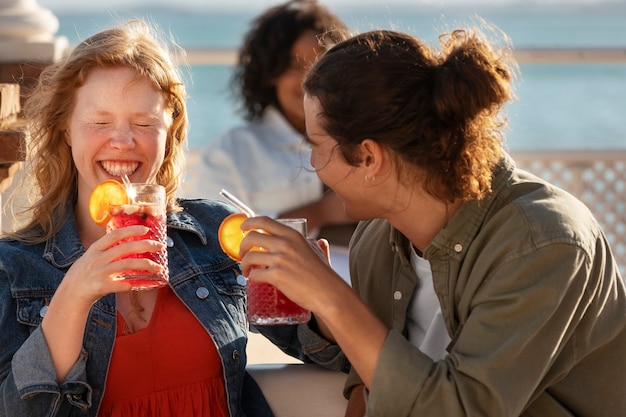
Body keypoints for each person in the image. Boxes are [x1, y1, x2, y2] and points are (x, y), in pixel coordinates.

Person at [239, 28, 626, 416]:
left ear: (369, 158)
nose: (313, 164)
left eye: (318, 147)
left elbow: (459, 408)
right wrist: (316, 298)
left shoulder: (543, 243)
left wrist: (331, 295)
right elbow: (370, 384)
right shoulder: (377, 238)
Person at [0, 21, 273, 417]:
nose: (123, 141)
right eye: (100, 122)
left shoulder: (215, 237)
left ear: (170, 131)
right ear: (66, 130)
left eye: (144, 124)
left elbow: (318, 346)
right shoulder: (12, 268)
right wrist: (74, 294)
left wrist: (312, 287)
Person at [193, 0, 355, 278]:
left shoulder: (365, 141)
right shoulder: (232, 152)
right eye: (294, 64)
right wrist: (319, 212)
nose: (308, 77)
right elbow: (213, 254)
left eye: (320, 62)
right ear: (270, 72)